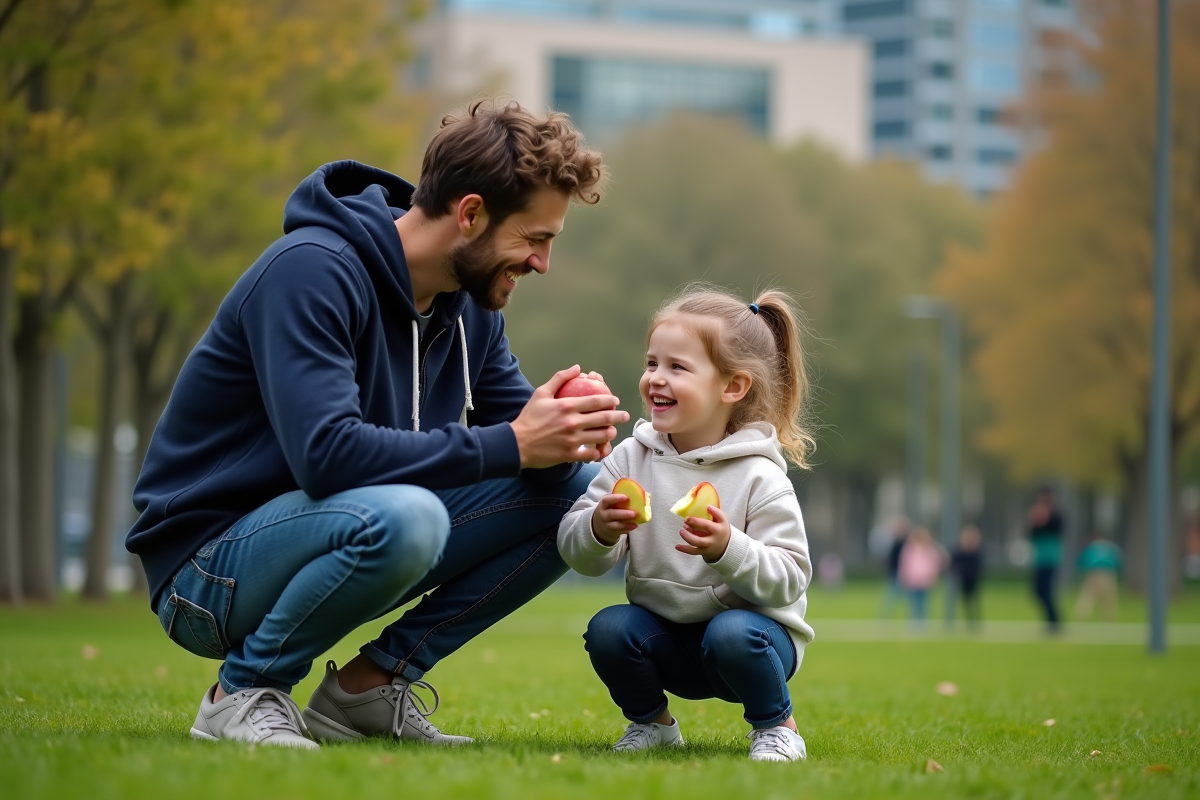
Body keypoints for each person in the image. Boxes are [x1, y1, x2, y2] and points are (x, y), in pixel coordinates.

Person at [126, 100, 629, 749]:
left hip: (348, 531)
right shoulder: (312, 270)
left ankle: (370, 689)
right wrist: (514, 442)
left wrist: (568, 425)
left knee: (574, 491)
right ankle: (243, 691)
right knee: (409, 518)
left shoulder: (470, 309)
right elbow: (327, 456)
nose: (542, 263)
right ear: (470, 214)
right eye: (535, 239)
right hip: (207, 573)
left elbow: (523, 453)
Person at [558, 287, 816, 764]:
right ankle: (652, 725)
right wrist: (599, 528)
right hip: (668, 640)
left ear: (732, 387)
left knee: (733, 633)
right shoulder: (630, 459)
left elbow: (790, 578)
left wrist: (727, 548)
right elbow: (578, 555)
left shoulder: (760, 475)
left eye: (677, 367)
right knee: (609, 628)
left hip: (752, 644)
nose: (656, 378)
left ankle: (778, 727)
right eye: (652, 363)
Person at [1027, 487, 1064, 632]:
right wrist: (1035, 520)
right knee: (1037, 592)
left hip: (1050, 559)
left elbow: (1055, 527)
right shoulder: (1036, 517)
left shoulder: (1056, 516)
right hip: (1039, 558)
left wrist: (1042, 517)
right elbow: (1032, 534)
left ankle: (1054, 622)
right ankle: (1051, 620)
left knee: (1046, 591)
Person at [897, 527, 943, 624]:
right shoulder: (909, 550)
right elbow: (905, 565)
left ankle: (923, 621)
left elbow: (935, 565)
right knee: (913, 602)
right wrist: (904, 577)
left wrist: (932, 577)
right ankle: (914, 621)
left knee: (923, 602)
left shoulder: (930, 550)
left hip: (924, 580)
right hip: (913, 579)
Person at [1074, 532, 1122, 622]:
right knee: (1108, 597)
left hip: (1094, 571)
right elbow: (1119, 561)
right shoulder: (1111, 547)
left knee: (1088, 595)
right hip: (1107, 572)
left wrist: (1081, 571)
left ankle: (1082, 615)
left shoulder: (1092, 547)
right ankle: (1108, 618)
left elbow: (1082, 560)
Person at [949, 525, 983, 628]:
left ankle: (976, 621)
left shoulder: (976, 551)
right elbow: (953, 563)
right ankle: (955, 621)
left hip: (973, 579)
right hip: (961, 579)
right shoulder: (959, 550)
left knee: (974, 600)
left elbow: (978, 566)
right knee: (962, 601)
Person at [878, 516, 911, 619]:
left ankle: (913, 619)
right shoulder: (894, 541)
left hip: (905, 573)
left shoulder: (906, 542)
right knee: (892, 596)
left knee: (908, 598)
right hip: (895, 572)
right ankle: (885, 618)